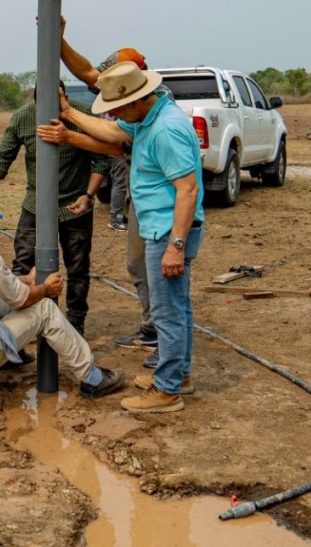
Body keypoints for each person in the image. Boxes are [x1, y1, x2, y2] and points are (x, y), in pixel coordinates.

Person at [39, 62, 205, 413]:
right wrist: (68, 114)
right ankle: (179, 375)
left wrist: (175, 247)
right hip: (160, 227)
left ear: (135, 100)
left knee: (167, 311)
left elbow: (187, 190)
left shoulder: (165, 130)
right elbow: (113, 134)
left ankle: (167, 390)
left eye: (116, 107)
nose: (112, 113)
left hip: (167, 231)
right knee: (178, 308)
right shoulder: (150, 117)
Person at [0, 197, 125, 398]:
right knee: (45, 309)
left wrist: (26, 280)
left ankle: (11, 356)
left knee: (0, 301)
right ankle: (92, 379)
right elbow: (21, 300)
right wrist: (45, 289)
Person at [0, 82, 111, 337]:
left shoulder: (84, 115)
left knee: (78, 266)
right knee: (23, 263)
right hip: (36, 203)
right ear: (36, 102)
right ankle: (23, 323)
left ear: (66, 97)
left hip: (75, 203)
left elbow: (102, 158)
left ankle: (75, 324)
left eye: (59, 100)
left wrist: (88, 195)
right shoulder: (23, 117)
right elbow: (3, 156)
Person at [59, 18, 158, 359]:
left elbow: (117, 140)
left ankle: (159, 335)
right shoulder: (131, 95)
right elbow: (88, 73)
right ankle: (152, 328)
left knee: (154, 269)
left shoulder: (144, 109)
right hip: (141, 198)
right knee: (138, 265)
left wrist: (69, 122)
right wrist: (58, 42)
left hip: (158, 205)